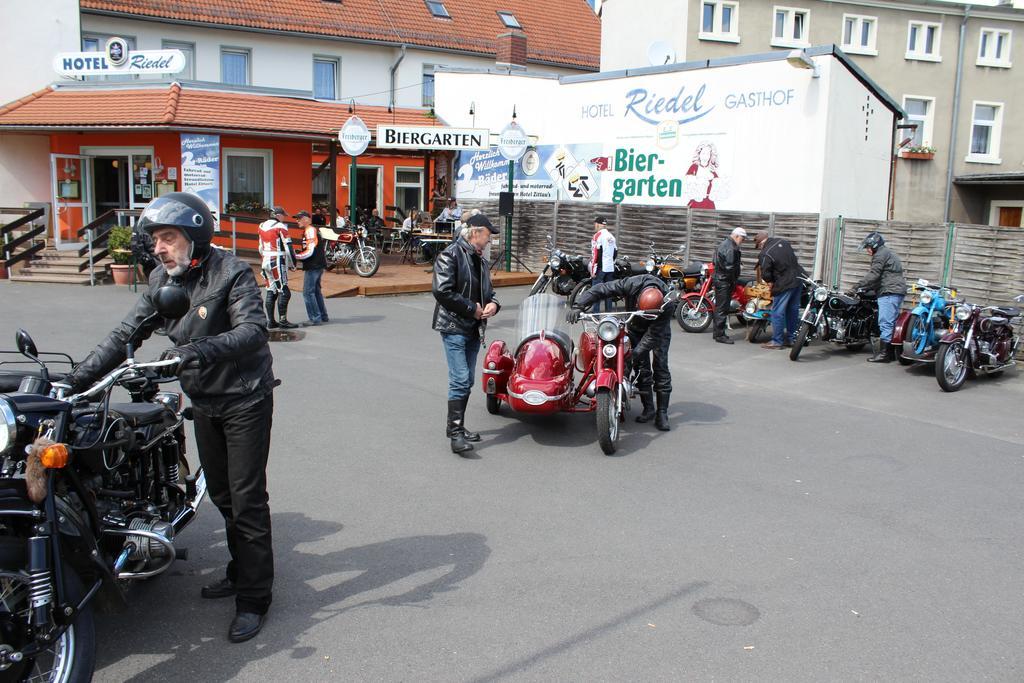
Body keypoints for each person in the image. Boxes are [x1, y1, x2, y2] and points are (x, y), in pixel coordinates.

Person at [64, 192, 276, 643]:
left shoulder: (232, 272)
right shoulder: (163, 277)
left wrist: (193, 351)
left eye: (168, 237)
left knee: (247, 500)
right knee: (221, 495)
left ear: (195, 236)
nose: (158, 247)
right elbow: (127, 331)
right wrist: (73, 381)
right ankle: (241, 572)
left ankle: (255, 598)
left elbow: (253, 332)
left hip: (244, 399)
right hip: (205, 400)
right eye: (155, 239)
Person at [432, 214, 501, 457]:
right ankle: (455, 434)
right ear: (475, 232)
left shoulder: (480, 261)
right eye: (488, 235)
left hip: (472, 328)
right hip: (453, 326)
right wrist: (472, 309)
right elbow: (441, 291)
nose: (490, 240)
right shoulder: (450, 254)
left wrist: (493, 304)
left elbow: (489, 293)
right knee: (460, 379)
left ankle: (458, 427)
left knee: (467, 380)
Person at [568, 274, 674, 431]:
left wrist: (634, 354)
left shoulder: (668, 303)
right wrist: (579, 305)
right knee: (641, 367)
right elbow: (602, 289)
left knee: (661, 367)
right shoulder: (631, 284)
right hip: (635, 326)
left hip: (658, 331)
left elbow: (653, 336)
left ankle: (662, 413)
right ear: (638, 301)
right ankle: (649, 408)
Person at [854, 231, 907, 363]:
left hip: (889, 291)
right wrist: (867, 287)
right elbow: (883, 276)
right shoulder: (887, 253)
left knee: (885, 323)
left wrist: (856, 286)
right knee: (891, 322)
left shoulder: (880, 255)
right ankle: (892, 353)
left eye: (868, 248)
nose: (867, 251)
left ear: (874, 246)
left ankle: (884, 355)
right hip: (894, 290)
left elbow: (874, 274)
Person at [754, 231, 806, 350]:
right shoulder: (783, 242)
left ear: (761, 243)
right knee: (793, 310)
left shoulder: (765, 253)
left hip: (784, 283)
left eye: (759, 246)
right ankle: (791, 338)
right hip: (798, 278)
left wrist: (771, 282)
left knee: (777, 311)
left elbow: (766, 274)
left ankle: (777, 341)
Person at [258, 207, 297, 329]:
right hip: (277, 260)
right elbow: (288, 247)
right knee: (284, 291)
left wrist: (264, 257)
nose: (284, 217)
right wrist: (293, 264)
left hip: (265, 260)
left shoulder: (261, 226)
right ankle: (283, 320)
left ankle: (270, 321)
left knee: (271, 290)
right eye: (283, 215)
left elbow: (260, 246)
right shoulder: (281, 226)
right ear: (278, 215)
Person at [294, 210, 329, 327]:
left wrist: (296, 256)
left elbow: (310, 251)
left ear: (307, 219)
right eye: (297, 219)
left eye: (299, 218)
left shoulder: (310, 230)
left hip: (314, 265)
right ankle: (322, 316)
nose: (297, 221)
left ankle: (315, 318)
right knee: (315, 291)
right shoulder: (309, 230)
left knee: (308, 293)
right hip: (316, 264)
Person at [712, 227, 746, 344]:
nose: (743, 241)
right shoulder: (731, 247)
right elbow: (730, 267)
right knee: (722, 308)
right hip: (725, 281)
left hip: (719, 279)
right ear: (737, 236)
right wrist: (733, 280)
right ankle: (720, 335)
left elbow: (715, 261)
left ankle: (717, 333)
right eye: (743, 238)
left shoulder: (724, 244)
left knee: (719, 307)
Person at [589, 216, 617, 313]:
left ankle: (595, 315)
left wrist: (593, 271)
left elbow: (595, 255)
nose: (595, 226)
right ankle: (608, 315)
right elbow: (615, 252)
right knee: (608, 294)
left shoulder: (597, 236)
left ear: (597, 224)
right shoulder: (611, 236)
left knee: (596, 293)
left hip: (600, 269)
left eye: (595, 224)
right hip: (610, 268)